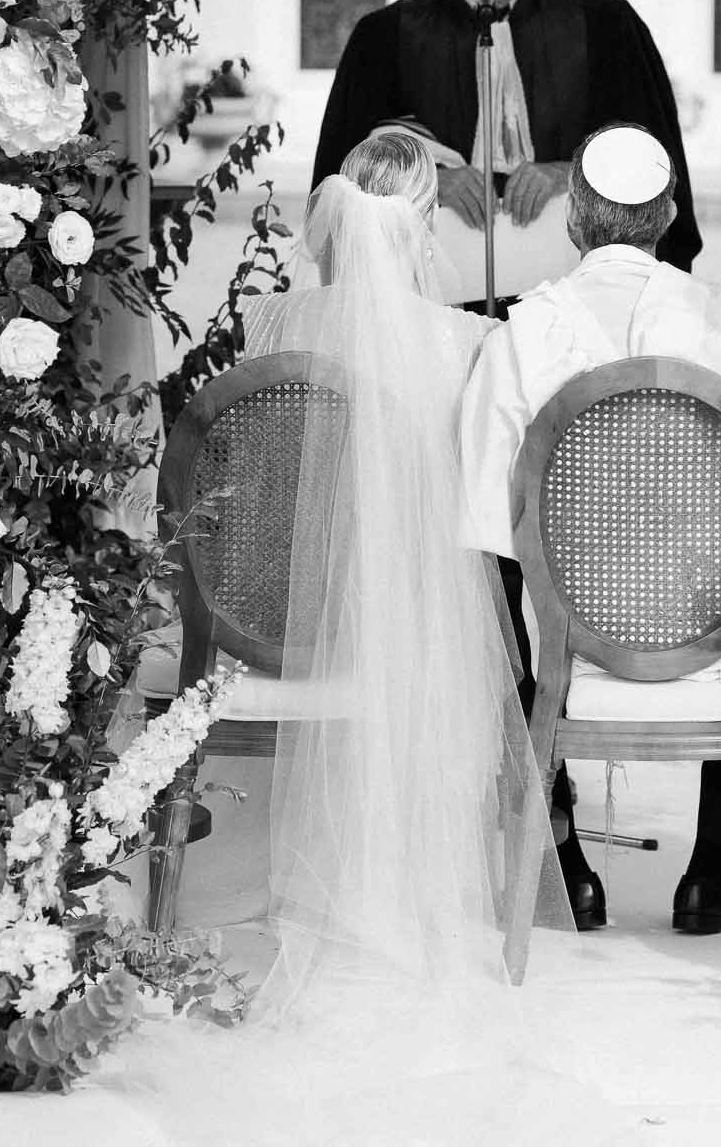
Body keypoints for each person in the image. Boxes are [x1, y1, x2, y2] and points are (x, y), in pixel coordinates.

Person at [459, 124, 721, 936]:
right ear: (666, 215)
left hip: (566, 646)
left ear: (572, 220)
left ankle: (564, 867)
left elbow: (485, 517)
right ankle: (709, 872)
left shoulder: (517, 340)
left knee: (502, 582)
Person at [242, 129, 570, 1012]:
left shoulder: (270, 324)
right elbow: (488, 493)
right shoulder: (467, 338)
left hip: (275, 614)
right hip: (417, 629)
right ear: (424, 228)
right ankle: (421, 878)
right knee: (459, 605)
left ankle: (327, 879)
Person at [310, 0, 700, 279]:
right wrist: (427, 182)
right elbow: (342, 186)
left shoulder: (606, 25)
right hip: (438, 301)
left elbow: (654, 165)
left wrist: (569, 173)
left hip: (574, 294)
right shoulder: (385, 37)